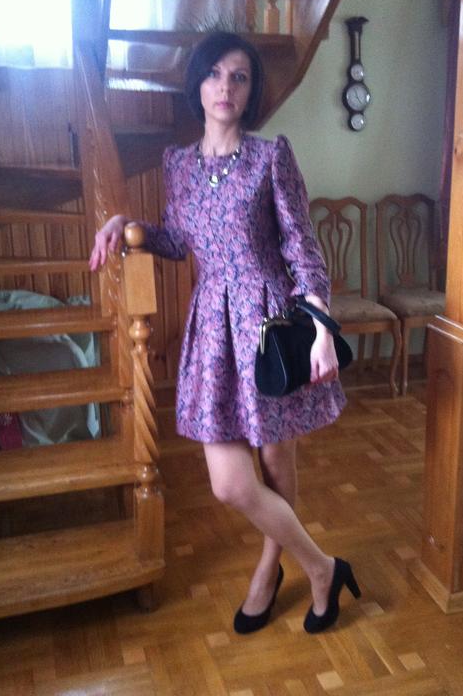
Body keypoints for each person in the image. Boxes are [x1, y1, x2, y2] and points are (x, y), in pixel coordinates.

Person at [89, 32, 360, 634]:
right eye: (214, 73)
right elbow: (178, 239)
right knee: (231, 485)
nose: (225, 86)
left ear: (251, 90)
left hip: (270, 324)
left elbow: (302, 248)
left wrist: (320, 326)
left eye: (239, 76)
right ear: (198, 84)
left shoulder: (270, 157)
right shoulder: (177, 164)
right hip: (214, 330)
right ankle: (322, 567)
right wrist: (128, 224)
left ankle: (269, 570)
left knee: (276, 462)